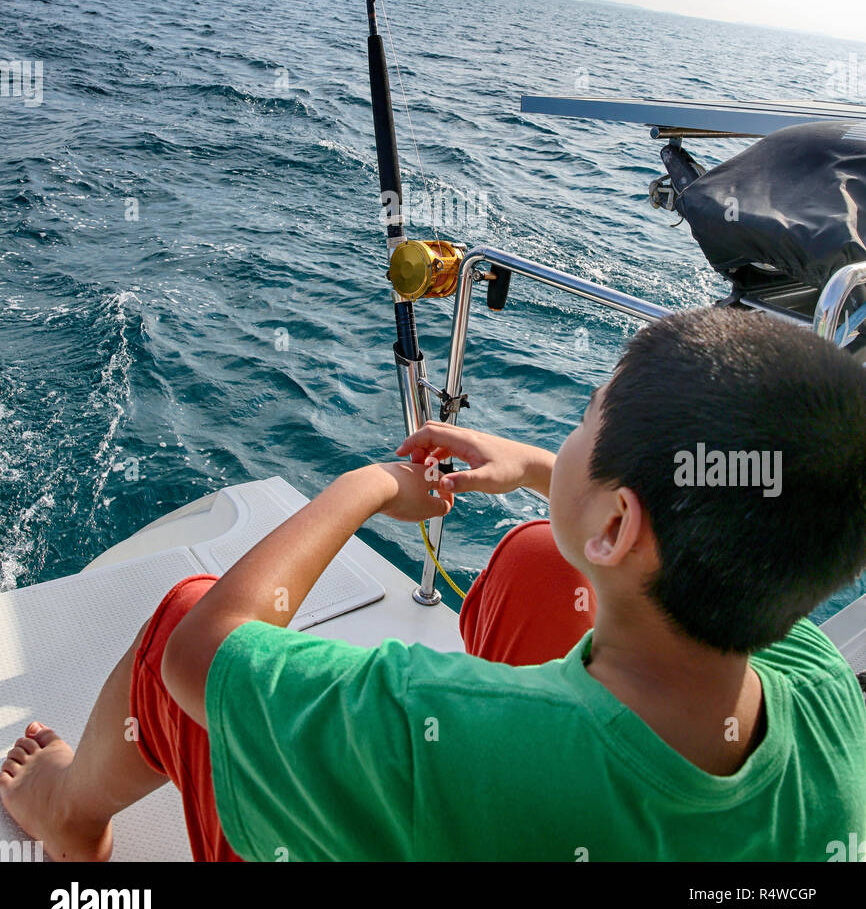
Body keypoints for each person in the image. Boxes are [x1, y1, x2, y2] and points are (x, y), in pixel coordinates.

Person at [3, 306, 866, 862]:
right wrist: (534, 468)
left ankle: (67, 816)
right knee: (537, 562)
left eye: (581, 421)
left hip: (476, 785)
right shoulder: (825, 690)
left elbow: (204, 655)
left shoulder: (444, 736)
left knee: (181, 617)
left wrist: (367, 486)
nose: (562, 442)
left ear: (616, 526)